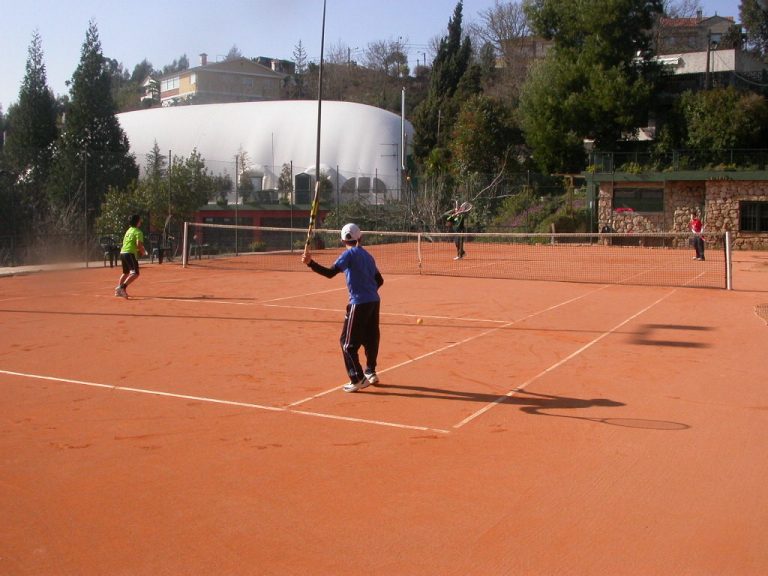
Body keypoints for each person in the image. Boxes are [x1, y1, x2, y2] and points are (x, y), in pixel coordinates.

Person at [302, 223, 384, 393]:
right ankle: (371, 371)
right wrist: (369, 291)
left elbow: (330, 273)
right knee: (370, 338)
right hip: (374, 302)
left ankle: (357, 378)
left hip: (359, 302)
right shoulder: (368, 256)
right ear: (360, 238)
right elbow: (380, 280)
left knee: (347, 344)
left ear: (341, 240)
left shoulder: (348, 254)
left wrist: (310, 263)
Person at [115, 214, 148, 298]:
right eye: (140, 220)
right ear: (137, 222)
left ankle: (118, 291)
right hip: (129, 253)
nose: (141, 222)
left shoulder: (128, 230)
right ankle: (122, 288)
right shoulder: (138, 232)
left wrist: (138, 250)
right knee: (135, 273)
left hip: (123, 252)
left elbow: (129, 243)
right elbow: (138, 244)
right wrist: (143, 251)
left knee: (125, 272)